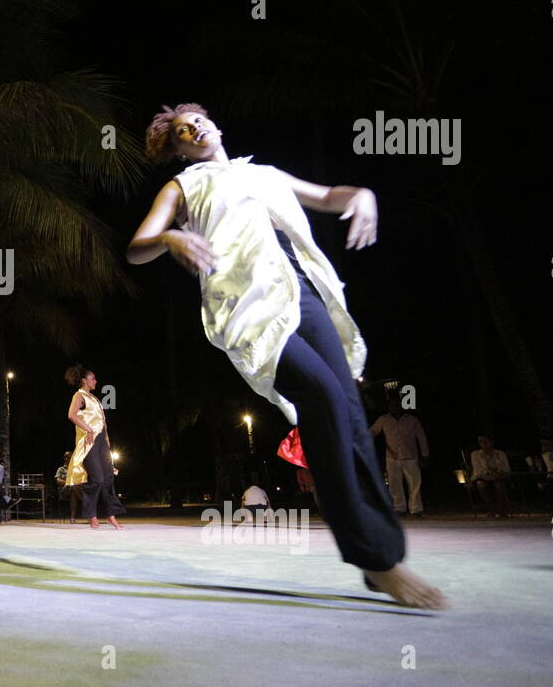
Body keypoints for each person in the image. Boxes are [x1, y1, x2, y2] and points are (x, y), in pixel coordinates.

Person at [127, 102, 447, 609]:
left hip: (305, 294)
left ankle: (382, 554)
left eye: (198, 120)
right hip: (249, 308)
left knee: (350, 413)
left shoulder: (264, 173)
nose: (194, 129)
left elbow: (325, 196)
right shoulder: (185, 187)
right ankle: (373, 558)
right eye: (183, 132)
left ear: (216, 125)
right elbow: (137, 246)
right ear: (180, 150)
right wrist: (170, 237)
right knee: (318, 394)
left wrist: (361, 195)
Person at [65, 365, 125, 529]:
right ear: (84, 381)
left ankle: (111, 515)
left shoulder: (95, 399)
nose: (96, 381)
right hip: (89, 441)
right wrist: (88, 429)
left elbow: (102, 423)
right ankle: (91, 514)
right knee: (97, 479)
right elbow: (71, 415)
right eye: (93, 379)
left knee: (108, 478)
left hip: (102, 442)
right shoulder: (79, 395)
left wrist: (106, 441)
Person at [370, 403, 430, 517]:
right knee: (394, 484)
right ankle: (399, 508)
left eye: (397, 405)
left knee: (414, 484)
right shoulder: (384, 419)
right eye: (392, 405)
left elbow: (421, 437)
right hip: (392, 457)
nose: (395, 408)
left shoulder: (412, 420)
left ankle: (416, 509)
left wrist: (425, 455)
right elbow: (373, 431)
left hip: (411, 456)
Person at [469, 435, 512, 517]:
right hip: (483, 477)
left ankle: (501, 509)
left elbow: (506, 468)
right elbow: (478, 470)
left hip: (498, 477)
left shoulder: (500, 454)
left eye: (485, 442)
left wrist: (498, 473)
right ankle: (491, 509)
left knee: (499, 484)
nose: (483, 444)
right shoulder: (475, 454)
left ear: (492, 443)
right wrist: (490, 472)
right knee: (481, 484)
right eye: (480, 442)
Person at [54, 450, 78, 522]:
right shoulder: (61, 469)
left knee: (74, 491)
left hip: (73, 489)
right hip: (63, 490)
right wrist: (68, 483)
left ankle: (72, 518)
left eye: (71, 457)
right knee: (75, 489)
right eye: (67, 457)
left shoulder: (75, 469)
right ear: (65, 458)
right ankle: (84, 498)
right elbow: (57, 480)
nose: (69, 459)